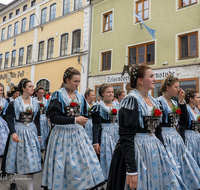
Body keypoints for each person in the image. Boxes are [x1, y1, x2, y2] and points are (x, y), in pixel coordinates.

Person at [107, 64, 187, 190]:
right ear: (140, 80)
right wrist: (131, 170)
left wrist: (164, 152)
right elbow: (126, 136)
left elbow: (158, 130)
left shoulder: (153, 100)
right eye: (151, 76)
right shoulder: (131, 100)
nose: (154, 79)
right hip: (137, 150)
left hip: (154, 150)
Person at [41, 67, 105, 190]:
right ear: (67, 80)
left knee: (82, 164)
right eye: (75, 81)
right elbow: (54, 118)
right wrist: (75, 120)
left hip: (78, 134)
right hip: (62, 135)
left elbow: (85, 114)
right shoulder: (58, 95)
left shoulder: (80, 96)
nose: (77, 84)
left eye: (79, 81)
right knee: (64, 165)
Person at [157, 74, 200, 189]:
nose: (178, 89)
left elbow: (183, 122)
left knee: (181, 165)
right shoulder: (159, 102)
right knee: (171, 167)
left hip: (175, 138)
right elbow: (158, 125)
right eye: (176, 87)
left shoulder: (175, 103)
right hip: (165, 137)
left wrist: (181, 103)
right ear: (167, 87)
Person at [5, 78, 41, 190]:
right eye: (29, 86)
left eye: (32, 86)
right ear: (23, 88)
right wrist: (13, 133)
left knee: (32, 160)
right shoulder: (14, 103)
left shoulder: (36, 103)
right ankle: (13, 182)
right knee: (14, 157)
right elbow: (10, 119)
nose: (32, 88)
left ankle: (30, 188)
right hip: (18, 131)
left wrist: (39, 135)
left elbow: (37, 120)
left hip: (31, 132)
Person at [91, 83, 119, 182]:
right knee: (107, 158)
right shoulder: (98, 107)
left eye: (112, 92)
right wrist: (95, 142)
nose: (111, 94)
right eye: (108, 92)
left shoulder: (117, 105)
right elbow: (96, 125)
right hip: (105, 135)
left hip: (117, 134)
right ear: (102, 93)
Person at [179, 88, 200, 167]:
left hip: (197, 137)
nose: (199, 99)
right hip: (189, 138)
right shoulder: (186, 109)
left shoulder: (197, 110)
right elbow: (182, 125)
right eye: (197, 97)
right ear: (191, 99)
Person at [34, 85, 50, 151]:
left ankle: (43, 146)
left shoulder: (46, 101)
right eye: (40, 93)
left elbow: (48, 111)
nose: (41, 94)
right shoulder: (33, 100)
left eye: (42, 93)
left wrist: (48, 117)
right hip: (35, 119)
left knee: (44, 133)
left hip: (43, 118)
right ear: (36, 93)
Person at [0, 84, 9, 175]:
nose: (0, 92)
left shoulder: (4, 101)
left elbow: (5, 114)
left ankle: (1, 168)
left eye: (1, 90)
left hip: (1, 123)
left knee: (3, 147)